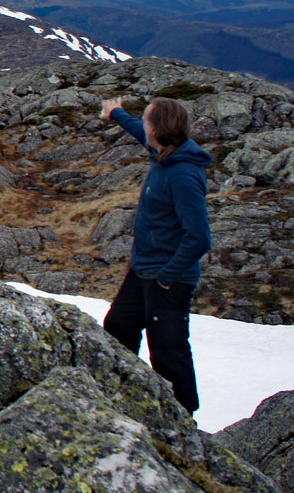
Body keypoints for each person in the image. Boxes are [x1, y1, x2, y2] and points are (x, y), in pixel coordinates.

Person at [98, 96, 212, 413]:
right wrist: (116, 113)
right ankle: (125, 394)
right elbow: (138, 130)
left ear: (157, 130)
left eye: (147, 120)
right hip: (143, 270)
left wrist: (165, 278)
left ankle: (184, 420)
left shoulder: (183, 173)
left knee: (168, 352)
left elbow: (200, 238)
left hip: (168, 279)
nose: (143, 125)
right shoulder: (163, 152)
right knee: (119, 327)